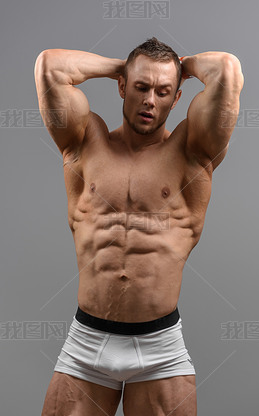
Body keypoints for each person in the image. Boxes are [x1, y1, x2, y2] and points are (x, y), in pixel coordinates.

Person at [34, 37, 244, 416]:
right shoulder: (84, 141)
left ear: (177, 99)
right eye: (141, 87)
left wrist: (185, 64)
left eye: (164, 92)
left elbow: (227, 70)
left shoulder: (193, 151)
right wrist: (122, 65)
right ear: (122, 87)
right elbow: (50, 67)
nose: (150, 100)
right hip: (86, 344)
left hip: (159, 350)